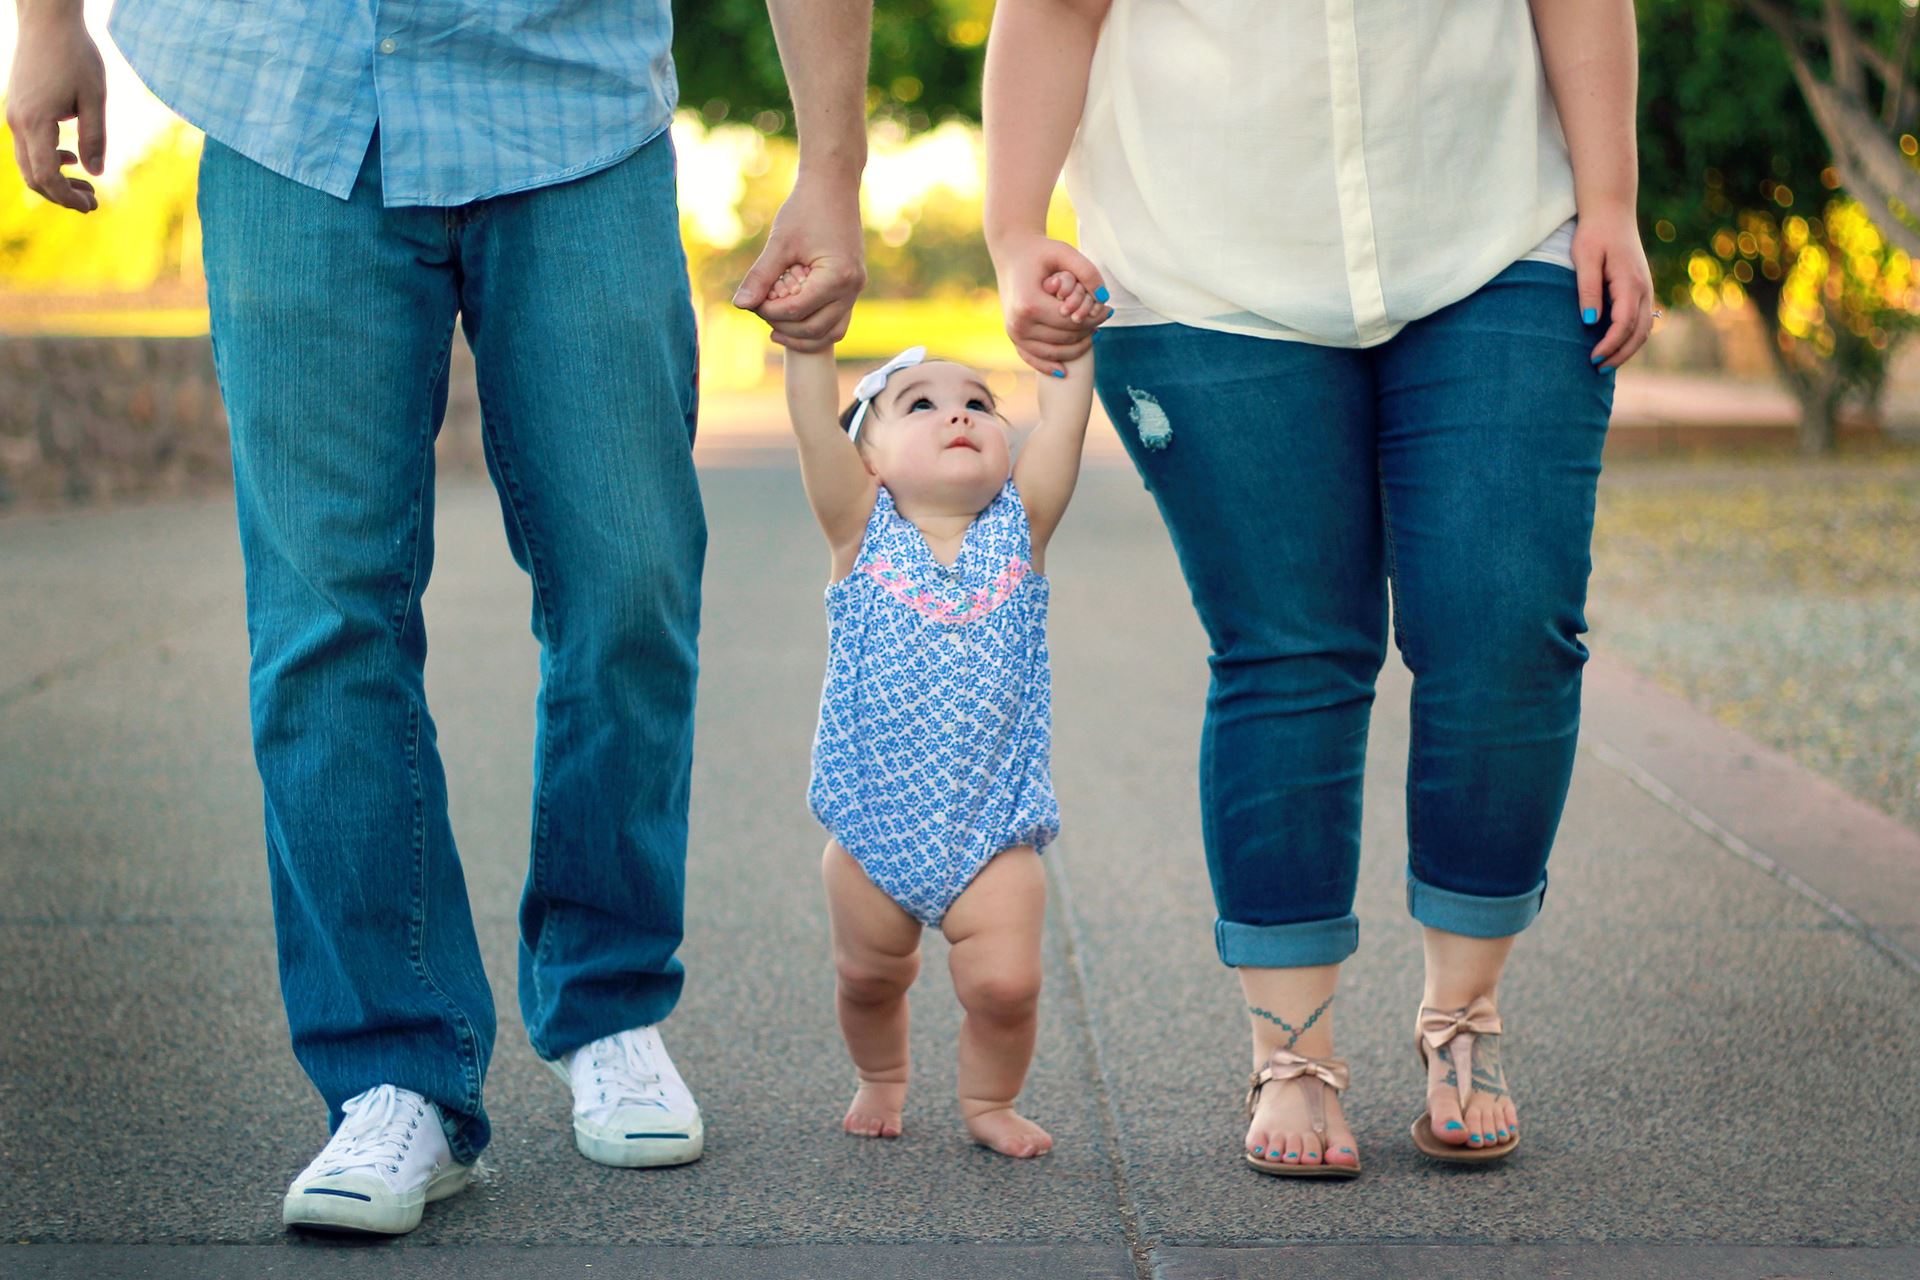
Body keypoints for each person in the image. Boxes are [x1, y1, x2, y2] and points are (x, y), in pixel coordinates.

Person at [7, 0, 872, 1234]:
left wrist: (832, 165)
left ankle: (608, 997)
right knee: (323, 621)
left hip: (571, 101)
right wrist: (47, 25)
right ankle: (391, 1069)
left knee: (631, 578)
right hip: (289, 97)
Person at [983, 0, 1655, 1176]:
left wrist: (1610, 196)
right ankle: (1290, 1049)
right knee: (1289, 649)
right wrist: (1010, 230)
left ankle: (1464, 1015)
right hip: (1200, 263)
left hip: (1498, 233)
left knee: (1506, 624)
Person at [768, 262, 1104, 1157]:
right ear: (869, 460)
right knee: (869, 976)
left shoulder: (1021, 528)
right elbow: (812, 429)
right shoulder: (860, 532)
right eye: (919, 405)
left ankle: (989, 1100)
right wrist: (809, 344)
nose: (959, 413)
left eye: (980, 404)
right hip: (873, 829)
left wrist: (1064, 347)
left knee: (1005, 988)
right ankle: (882, 1074)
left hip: (992, 831)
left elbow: (1064, 422)